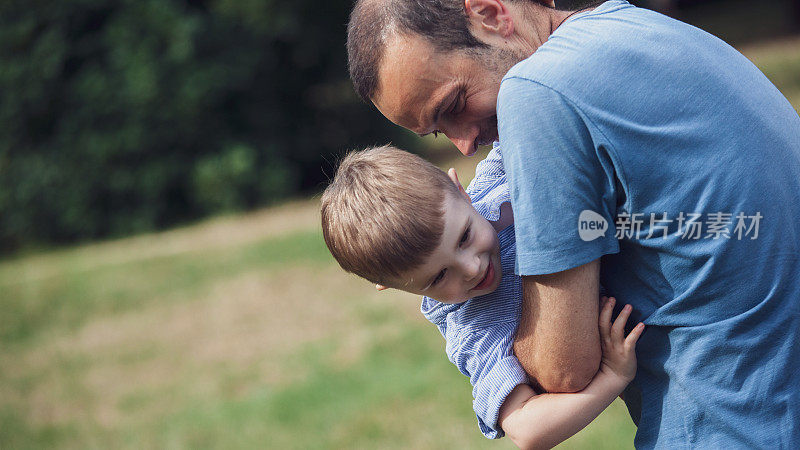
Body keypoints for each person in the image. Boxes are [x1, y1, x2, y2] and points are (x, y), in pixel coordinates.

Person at [346, 0, 800, 447]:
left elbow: (562, 369)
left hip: (734, 421)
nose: (465, 145)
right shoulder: (635, 24)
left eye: (455, 103)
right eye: (440, 131)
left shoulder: (534, 91)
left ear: (489, 13)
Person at [320, 145, 644, 448]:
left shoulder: (493, 182)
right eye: (439, 276)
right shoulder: (475, 329)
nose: (472, 268)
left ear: (460, 190)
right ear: (392, 285)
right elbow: (526, 428)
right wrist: (612, 377)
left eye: (464, 237)